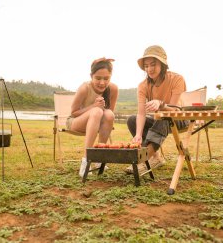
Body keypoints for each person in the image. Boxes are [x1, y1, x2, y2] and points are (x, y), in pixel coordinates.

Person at [125, 45, 188, 174]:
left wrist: (161, 104)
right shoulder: (143, 86)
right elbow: (141, 113)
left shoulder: (177, 79)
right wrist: (137, 135)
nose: (149, 69)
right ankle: (154, 158)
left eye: (153, 64)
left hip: (179, 118)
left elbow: (174, 110)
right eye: (146, 66)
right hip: (159, 120)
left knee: (164, 117)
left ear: (162, 64)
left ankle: (143, 159)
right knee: (132, 120)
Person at [67, 57, 119, 177]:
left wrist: (101, 108)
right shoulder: (85, 88)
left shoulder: (113, 89)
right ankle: (86, 160)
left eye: (106, 78)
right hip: (76, 122)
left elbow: (108, 113)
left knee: (109, 114)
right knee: (96, 111)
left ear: (111, 76)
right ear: (91, 76)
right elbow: (74, 113)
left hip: (96, 122)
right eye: (98, 78)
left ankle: (99, 157)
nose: (102, 83)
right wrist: (94, 106)